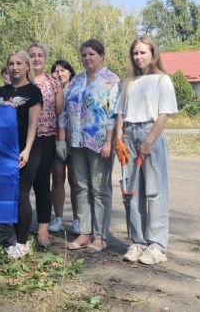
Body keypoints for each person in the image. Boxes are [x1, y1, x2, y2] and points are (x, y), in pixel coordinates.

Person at [114, 37, 177, 265]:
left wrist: (149, 141)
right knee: (132, 191)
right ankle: (138, 242)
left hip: (150, 133)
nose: (138, 57)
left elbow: (164, 115)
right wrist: (119, 138)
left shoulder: (162, 81)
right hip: (129, 134)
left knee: (154, 191)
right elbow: (120, 112)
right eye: (135, 53)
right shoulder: (129, 82)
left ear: (153, 53)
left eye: (143, 52)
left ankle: (157, 245)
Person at [58, 39, 120, 253]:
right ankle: (84, 232)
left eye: (92, 54)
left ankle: (100, 236)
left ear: (102, 55)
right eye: (84, 55)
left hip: (99, 143)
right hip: (76, 142)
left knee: (99, 189)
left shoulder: (111, 80)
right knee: (81, 187)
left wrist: (108, 141)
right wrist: (62, 138)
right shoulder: (76, 80)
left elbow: (113, 114)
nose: (87, 58)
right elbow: (65, 111)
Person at [0, 50, 42, 258]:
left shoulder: (34, 92)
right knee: (8, 195)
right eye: (11, 63)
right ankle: (12, 238)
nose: (15, 67)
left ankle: (22, 243)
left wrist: (26, 150)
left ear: (27, 66)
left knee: (21, 195)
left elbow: (33, 124)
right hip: (2, 151)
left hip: (26, 151)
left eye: (19, 63)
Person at [27, 43, 63, 246]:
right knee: (22, 185)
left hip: (45, 138)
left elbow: (59, 111)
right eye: (32, 55)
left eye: (40, 55)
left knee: (42, 184)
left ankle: (43, 230)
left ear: (45, 58)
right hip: (23, 138)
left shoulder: (52, 82)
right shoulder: (21, 79)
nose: (36, 58)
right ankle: (18, 229)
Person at [48, 60, 78, 234]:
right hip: (55, 139)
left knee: (75, 180)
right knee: (58, 177)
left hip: (74, 140)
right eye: (56, 71)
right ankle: (58, 218)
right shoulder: (50, 91)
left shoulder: (77, 89)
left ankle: (77, 219)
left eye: (63, 70)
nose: (60, 74)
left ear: (70, 72)